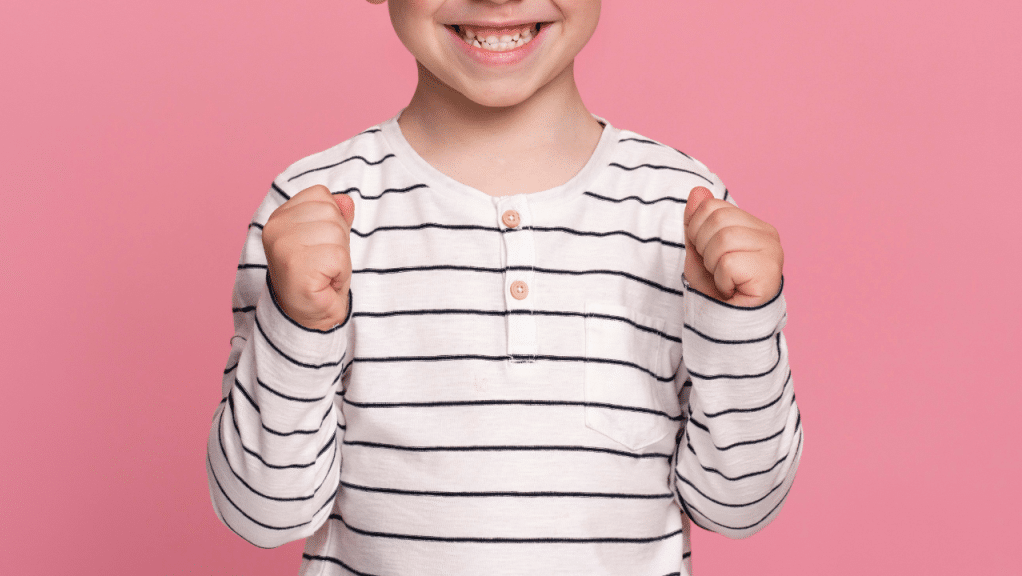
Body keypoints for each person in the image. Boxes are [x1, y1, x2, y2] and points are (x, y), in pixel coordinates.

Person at [206, 1, 804, 574]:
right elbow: (264, 513)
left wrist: (741, 329)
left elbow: (740, 505)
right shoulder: (312, 214)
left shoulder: (681, 209)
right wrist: (299, 325)